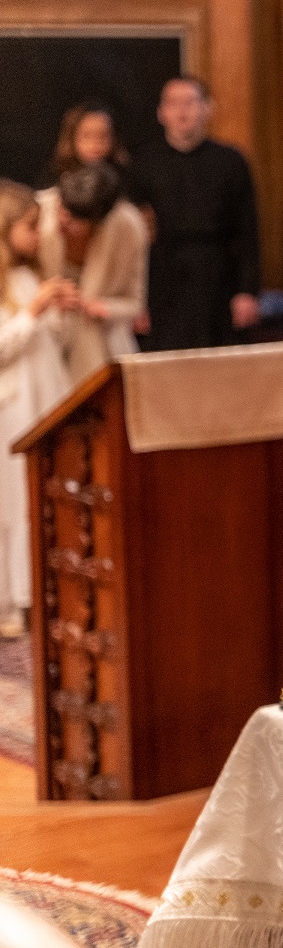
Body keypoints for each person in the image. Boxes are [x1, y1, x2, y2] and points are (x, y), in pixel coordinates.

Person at [133, 76, 263, 351]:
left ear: (207, 109)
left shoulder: (231, 161)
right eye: (173, 103)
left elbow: (247, 230)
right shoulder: (142, 163)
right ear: (161, 112)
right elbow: (131, 240)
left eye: (190, 102)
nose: (182, 111)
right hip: (161, 280)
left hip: (218, 280)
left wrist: (248, 292)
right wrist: (135, 300)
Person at [0, 181, 75, 639]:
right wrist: (31, 312)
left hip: (47, 398)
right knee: (15, 506)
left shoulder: (30, 275)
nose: (38, 234)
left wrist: (58, 312)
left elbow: (55, 345)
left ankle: (45, 591)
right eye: (30, 226)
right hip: (13, 407)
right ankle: (15, 598)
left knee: (45, 502)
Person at [38, 162, 147, 381]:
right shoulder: (37, 213)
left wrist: (101, 307)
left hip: (100, 345)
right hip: (44, 341)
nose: (66, 222)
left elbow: (135, 302)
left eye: (76, 221)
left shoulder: (128, 226)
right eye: (63, 210)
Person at [37, 101, 132, 191]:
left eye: (102, 136)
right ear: (72, 138)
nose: (94, 144)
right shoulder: (56, 175)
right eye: (87, 136)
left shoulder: (123, 177)